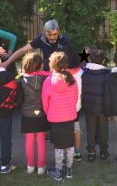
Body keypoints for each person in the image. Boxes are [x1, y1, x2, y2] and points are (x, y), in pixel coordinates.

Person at [42, 52, 78, 181]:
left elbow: (44, 102)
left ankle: (58, 170)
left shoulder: (48, 81)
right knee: (70, 143)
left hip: (55, 118)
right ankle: (69, 169)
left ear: (51, 64)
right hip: (69, 117)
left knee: (58, 145)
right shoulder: (72, 80)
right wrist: (68, 110)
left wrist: (49, 113)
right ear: (66, 64)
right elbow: (75, 98)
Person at [17, 53, 50, 175]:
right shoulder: (47, 78)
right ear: (41, 66)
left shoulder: (21, 80)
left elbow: (19, 99)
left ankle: (30, 166)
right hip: (42, 113)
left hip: (27, 114)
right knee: (41, 140)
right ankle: (41, 167)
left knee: (29, 140)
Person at [2, 19, 71, 71]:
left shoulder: (65, 40)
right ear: (45, 32)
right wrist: (6, 63)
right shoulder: (41, 39)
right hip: (46, 70)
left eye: (55, 34)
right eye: (49, 34)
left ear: (58, 32)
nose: (52, 37)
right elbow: (22, 50)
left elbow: (70, 57)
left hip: (62, 71)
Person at [82, 49, 110, 162]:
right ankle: (103, 152)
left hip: (89, 108)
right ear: (103, 60)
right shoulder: (108, 74)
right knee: (104, 130)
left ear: (90, 59)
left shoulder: (85, 73)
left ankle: (91, 153)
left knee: (90, 130)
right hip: (103, 108)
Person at [61, 45, 84, 162]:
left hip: (62, 108)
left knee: (64, 131)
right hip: (76, 107)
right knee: (76, 128)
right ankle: (77, 152)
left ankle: (65, 155)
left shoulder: (60, 74)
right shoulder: (81, 72)